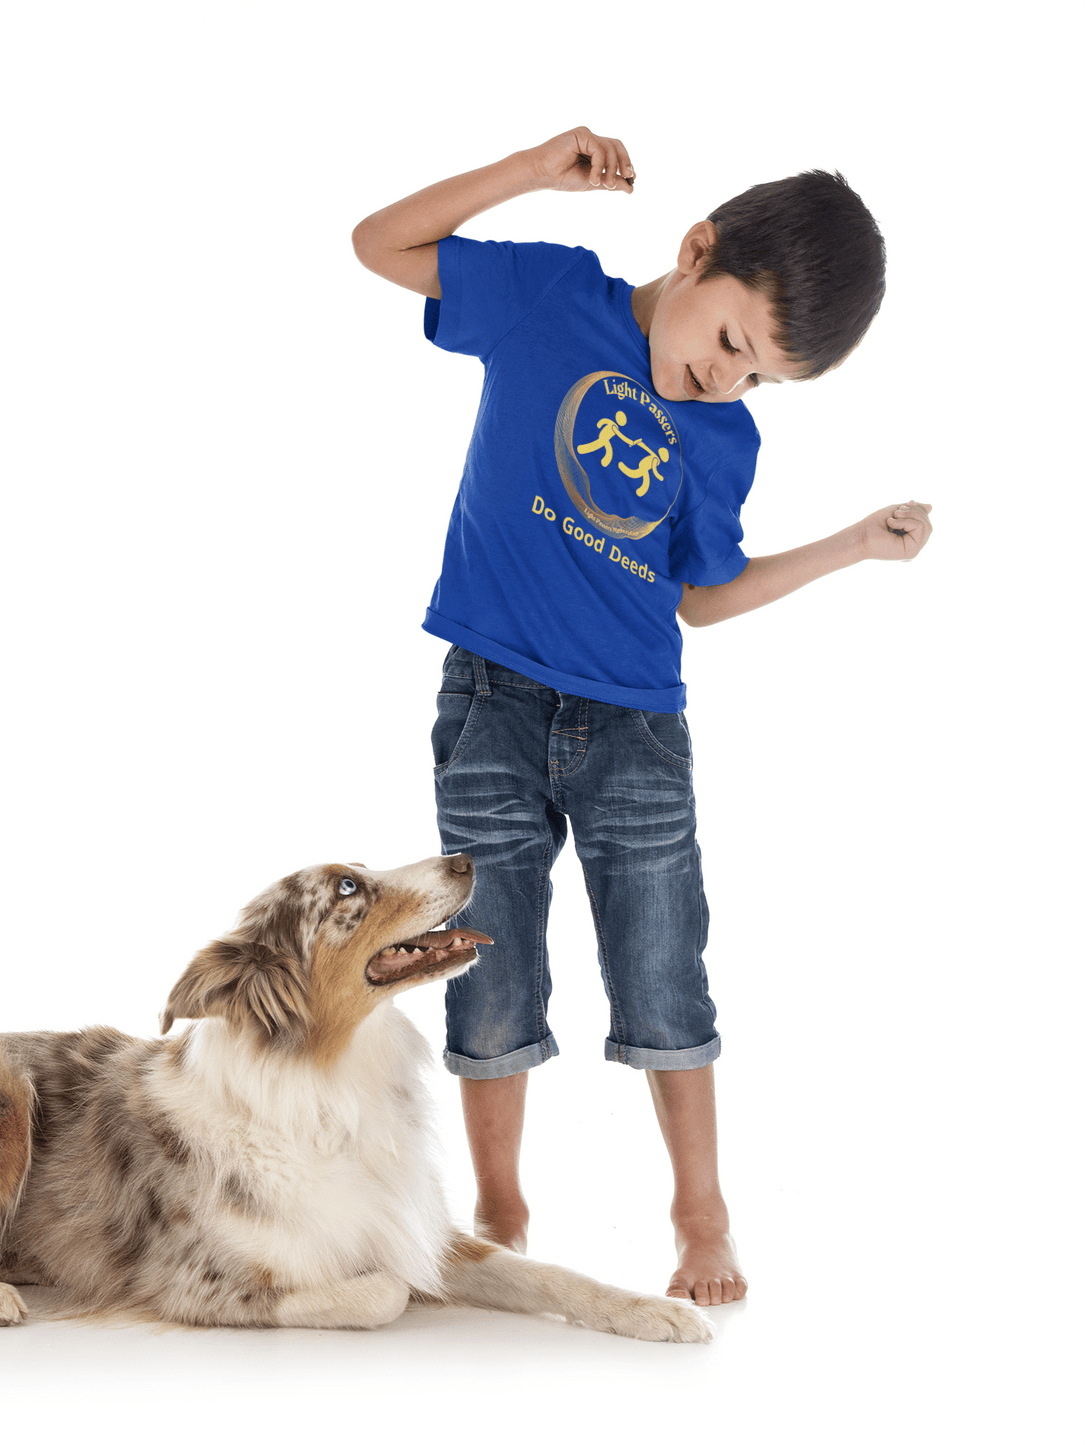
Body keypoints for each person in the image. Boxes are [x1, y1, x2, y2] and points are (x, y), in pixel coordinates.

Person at [351, 126, 933, 1307]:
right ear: (694, 248)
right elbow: (378, 243)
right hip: (491, 704)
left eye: (760, 374)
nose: (727, 380)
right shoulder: (545, 294)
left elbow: (700, 598)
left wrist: (848, 546)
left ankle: (699, 1211)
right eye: (729, 341)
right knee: (489, 963)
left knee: (663, 970)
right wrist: (525, 171)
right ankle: (500, 1207)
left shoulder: (723, 438)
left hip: (633, 730)